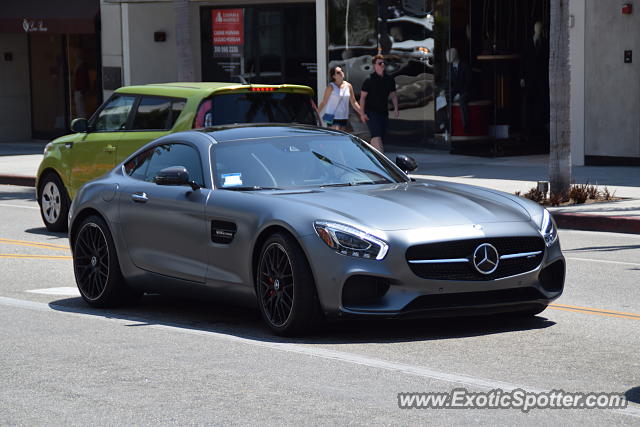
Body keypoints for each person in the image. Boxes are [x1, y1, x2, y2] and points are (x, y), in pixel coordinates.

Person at [359, 54, 398, 152]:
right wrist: (362, 113)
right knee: (377, 135)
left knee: (378, 136)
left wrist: (396, 109)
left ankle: (373, 157)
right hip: (371, 112)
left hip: (383, 112)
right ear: (374, 65)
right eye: (380, 63)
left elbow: (393, 95)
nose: (382, 65)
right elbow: (362, 98)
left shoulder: (389, 79)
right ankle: (382, 158)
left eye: (384, 63)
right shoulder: (369, 80)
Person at [316, 66, 362, 131]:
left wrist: (362, 113)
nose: (341, 73)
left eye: (341, 71)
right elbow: (324, 102)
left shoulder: (348, 86)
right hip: (333, 117)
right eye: (338, 72)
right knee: (335, 137)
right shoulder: (331, 87)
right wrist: (316, 114)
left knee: (343, 136)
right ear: (334, 76)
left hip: (344, 117)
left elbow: (353, 102)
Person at [446, 47, 472, 134]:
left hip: (466, 91)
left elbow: (468, 83)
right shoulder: (450, 67)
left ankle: (466, 126)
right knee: (445, 99)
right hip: (455, 91)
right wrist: (445, 91)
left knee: (462, 100)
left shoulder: (465, 66)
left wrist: (459, 94)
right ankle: (447, 125)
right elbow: (448, 82)